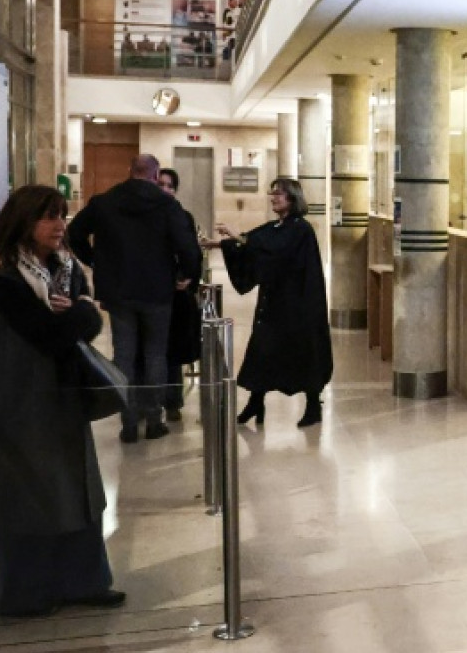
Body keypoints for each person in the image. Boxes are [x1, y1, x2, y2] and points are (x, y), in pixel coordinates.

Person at [0, 185, 125, 617]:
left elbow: (81, 324)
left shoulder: (65, 269)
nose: (60, 225)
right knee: (26, 494)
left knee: (76, 489)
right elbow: (51, 334)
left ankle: (83, 580)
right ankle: (21, 591)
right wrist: (84, 312)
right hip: (19, 397)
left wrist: (83, 313)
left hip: (62, 395)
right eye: (49, 217)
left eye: (62, 215)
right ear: (23, 221)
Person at [68, 154, 202, 443]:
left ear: (130, 172)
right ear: (156, 176)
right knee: (156, 354)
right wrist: (187, 275)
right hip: (157, 292)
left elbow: (74, 233)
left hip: (119, 292)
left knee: (124, 354)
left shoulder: (104, 201)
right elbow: (188, 246)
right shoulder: (167, 205)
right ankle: (154, 420)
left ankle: (128, 422)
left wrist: (95, 262)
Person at [203, 177, 332, 428]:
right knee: (262, 349)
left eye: (279, 194)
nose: (273, 198)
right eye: (272, 193)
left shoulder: (300, 229)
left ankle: (313, 406)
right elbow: (252, 242)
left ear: (292, 198)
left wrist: (233, 238)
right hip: (274, 302)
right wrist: (219, 244)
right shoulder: (276, 227)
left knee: (303, 352)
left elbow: (271, 249)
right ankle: (256, 402)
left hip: (299, 305)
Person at [155, 168, 203, 421]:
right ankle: (147, 403)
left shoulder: (183, 216)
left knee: (172, 350)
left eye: (170, 186)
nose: (166, 189)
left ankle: (173, 401)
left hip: (175, 293)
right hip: (152, 290)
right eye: (161, 184)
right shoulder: (145, 216)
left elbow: (192, 251)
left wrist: (188, 277)